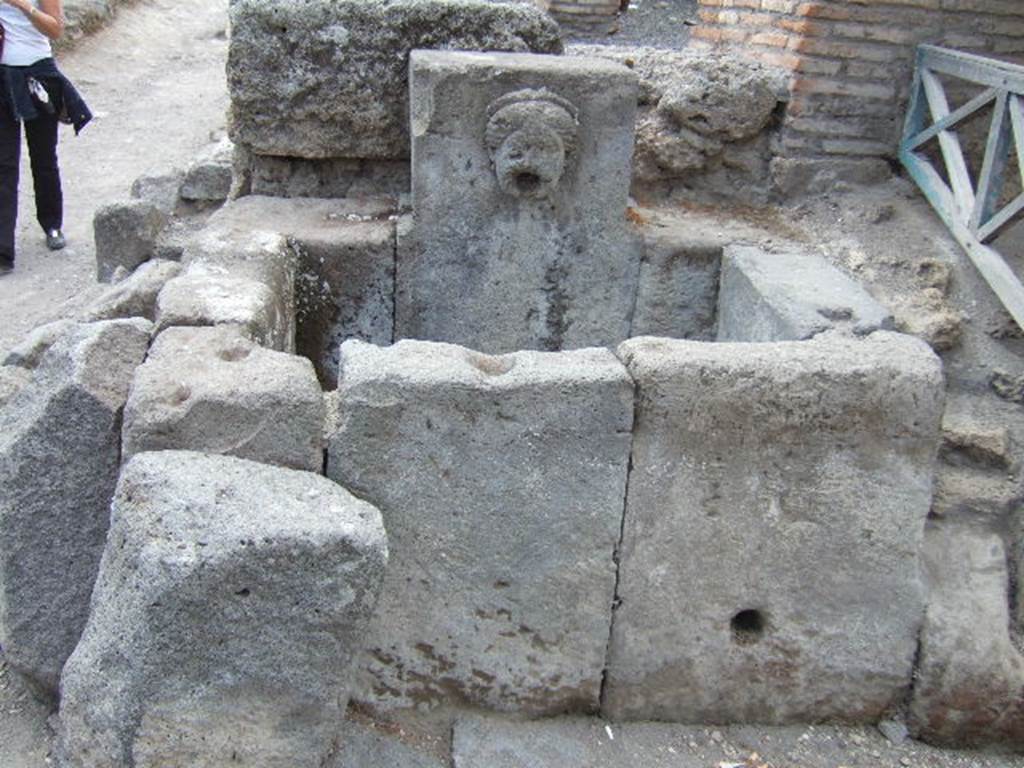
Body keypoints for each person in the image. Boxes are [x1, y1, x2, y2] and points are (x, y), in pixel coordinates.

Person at [0, 0, 90, 275]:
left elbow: (55, 30)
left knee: (43, 158)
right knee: (4, 164)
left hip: (38, 73)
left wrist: (24, 7)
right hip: (3, 76)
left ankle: (52, 224)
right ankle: (3, 249)